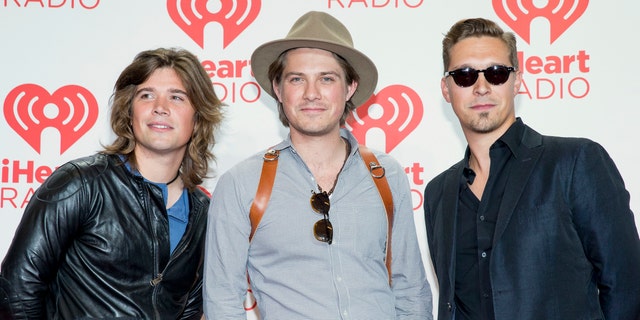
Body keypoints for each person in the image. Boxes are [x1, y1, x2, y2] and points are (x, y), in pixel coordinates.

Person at [203, 11, 432, 320]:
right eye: (297, 79)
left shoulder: (386, 174)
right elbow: (222, 301)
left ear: (350, 87)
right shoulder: (242, 183)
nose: (312, 93)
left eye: (327, 78)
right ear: (278, 89)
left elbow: (411, 291)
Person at [423, 17, 640, 320]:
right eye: (465, 75)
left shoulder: (575, 162)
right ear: (447, 89)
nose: (482, 87)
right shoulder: (438, 193)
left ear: (517, 81)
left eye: (497, 73)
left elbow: (627, 286)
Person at [0, 47, 224, 319]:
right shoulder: (80, 184)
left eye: (177, 97)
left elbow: (189, 309)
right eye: (146, 95)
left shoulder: (204, 214)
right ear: (129, 111)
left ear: (198, 116)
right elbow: (17, 291)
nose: (160, 108)